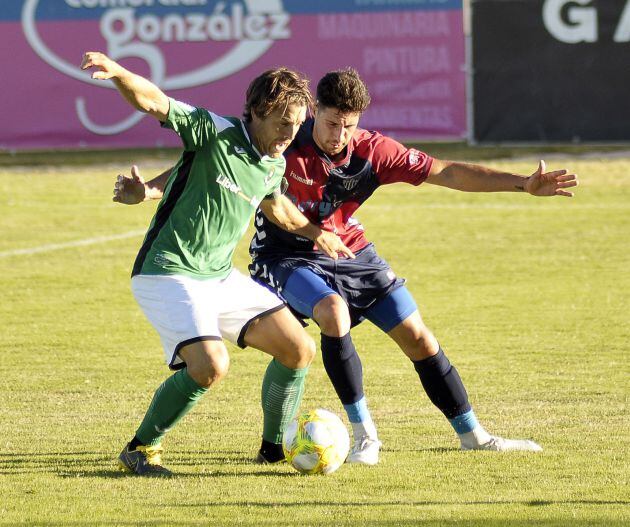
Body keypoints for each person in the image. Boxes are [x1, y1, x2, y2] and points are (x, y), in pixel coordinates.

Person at [113, 68, 578, 466]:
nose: (338, 135)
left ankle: (473, 435)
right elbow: (200, 161)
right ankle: (364, 436)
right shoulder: (277, 139)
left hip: (346, 252)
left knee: (409, 337)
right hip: (279, 256)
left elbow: (447, 171)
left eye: (349, 126)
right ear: (316, 111)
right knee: (322, 319)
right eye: (331, 123)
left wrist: (522, 184)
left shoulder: (361, 150)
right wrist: (148, 188)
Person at [81, 52, 354, 477]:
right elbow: (155, 101)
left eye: (297, 124)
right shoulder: (216, 130)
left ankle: (272, 449)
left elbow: (277, 207)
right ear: (260, 112)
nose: (290, 132)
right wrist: (118, 73)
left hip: (218, 276)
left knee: (298, 349)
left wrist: (316, 233)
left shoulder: (272, 162)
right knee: (210, 366)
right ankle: (141, 448)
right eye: (283, 122)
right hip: (167, 271)